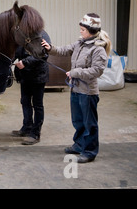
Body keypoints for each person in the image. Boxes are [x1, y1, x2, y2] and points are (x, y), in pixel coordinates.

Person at [41, 13, 111, 163]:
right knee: (78, 121)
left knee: (89, 124)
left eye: (83, 29)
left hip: (88, 92)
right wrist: (49, 48)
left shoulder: (98, 49)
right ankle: (79, 145)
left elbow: (97, 71)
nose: (80, 32)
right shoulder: (79, 43)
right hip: (75, 89)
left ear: (91, 30)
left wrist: (75, 72)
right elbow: (64, 50)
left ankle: (90, 151)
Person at [12, 30, 51, 145]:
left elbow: (43, 54)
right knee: (25, 101)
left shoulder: (43, 35)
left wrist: (25, 62)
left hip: (38, 75)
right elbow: (17, 51)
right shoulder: (23, 35)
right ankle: (27, 126)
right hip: (25, 75)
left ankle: (35, 133)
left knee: (37, 104)